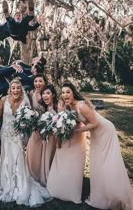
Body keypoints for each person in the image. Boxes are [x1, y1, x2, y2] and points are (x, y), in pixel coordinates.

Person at [50, 81, 133, 209]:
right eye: (63, 93)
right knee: (99, 163)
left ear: (73, 93)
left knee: (107, 163)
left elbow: (95, 123)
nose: (65, 94)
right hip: (96, 134)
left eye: (68, 92)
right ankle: (104, 194)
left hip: (105, 131)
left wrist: (75, 131)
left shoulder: (81, 105)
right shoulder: (71, 106)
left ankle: (116, 196)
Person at [0, 79, 51, 207]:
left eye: (18, 87)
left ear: (21, 89)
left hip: (18, 135)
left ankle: (20, 183)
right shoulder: (3, 100)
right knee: (6, 157)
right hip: (5, 134)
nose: (16, 90)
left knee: (18, 158)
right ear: (10, 89)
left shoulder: (25, 101)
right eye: (14, 88)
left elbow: (29, 118)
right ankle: (7, 182)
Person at [26, 74, 48, 182]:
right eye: (36, 81)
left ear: (45, 82)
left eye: (40, 81)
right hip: (35, 128)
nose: (38, 83)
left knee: (44, 151)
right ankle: (32, 173)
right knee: (32, 149)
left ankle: (43, 172)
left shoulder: (47, 94)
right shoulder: (31, 93)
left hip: (46, 128)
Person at [36, 84, 59, 186]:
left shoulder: (58, 107)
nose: (45, 96)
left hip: (57, 137)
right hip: (48, 137)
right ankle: (47, 175)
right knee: (48, 156)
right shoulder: (44, 108)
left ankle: (54, 178)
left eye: (48, 93)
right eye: (43, 93)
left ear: (53, 95)